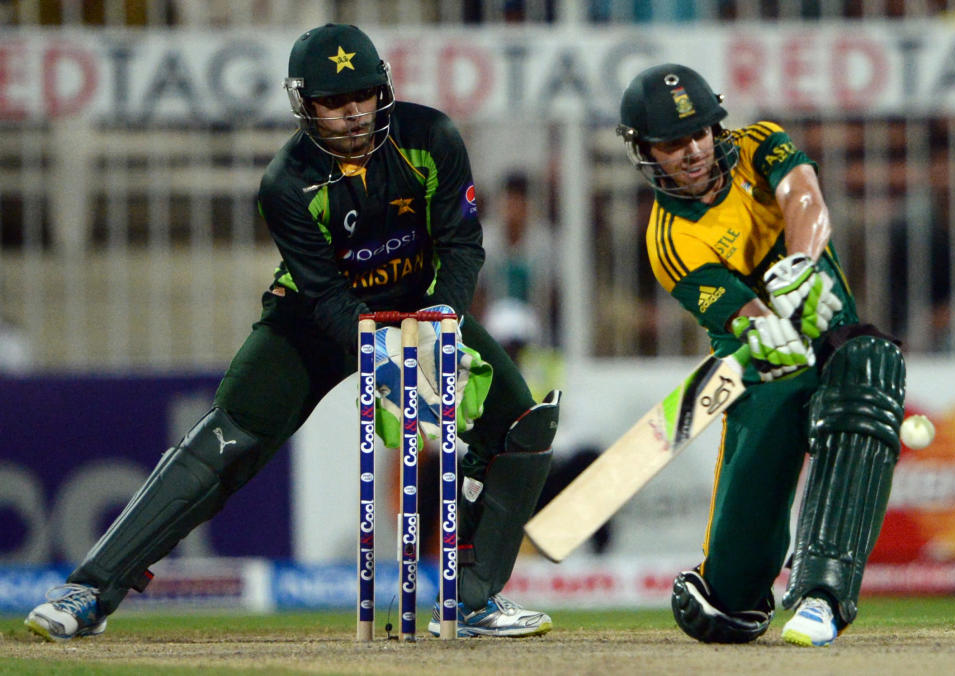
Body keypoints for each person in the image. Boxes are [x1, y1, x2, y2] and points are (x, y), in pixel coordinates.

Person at [25, 23, 558, 641]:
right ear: (304, 105)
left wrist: (441, 320)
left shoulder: (430, 137)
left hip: (419, 307)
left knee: (522, 424)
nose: (354, 112)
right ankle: (88, 589)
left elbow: (462, 244)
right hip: (312, 317)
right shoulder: (286, 182)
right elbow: (327, 293)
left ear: (383, 89)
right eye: (335, 102)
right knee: (226, 441)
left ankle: (470, 602)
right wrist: (381, 356)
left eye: (364, 94)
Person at [615, 63, 906, 647]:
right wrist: (766, 324)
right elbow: (743, 316)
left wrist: (800, 263)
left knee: (869, 364)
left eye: (701, 132)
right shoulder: (668, 240)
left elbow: (805, 196)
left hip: (834, 336)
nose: (694, 150)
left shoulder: (758, 143)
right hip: (757, 363)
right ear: (644, 150)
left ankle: (821, 593)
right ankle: (726, 586)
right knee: (726, 604)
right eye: (674, 143)